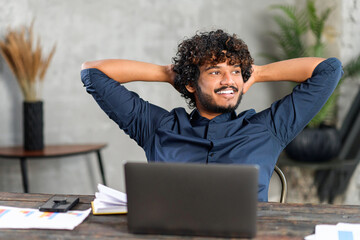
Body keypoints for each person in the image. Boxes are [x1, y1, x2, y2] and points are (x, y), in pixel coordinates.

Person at [81, 29, 343, 201]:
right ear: (192, 84)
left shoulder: (268, 128)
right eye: (216, 72)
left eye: (236, 71)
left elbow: (329, 70)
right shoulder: (157, 127)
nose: (229, 80)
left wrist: (258, 73)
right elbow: (92, 73)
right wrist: (168, 73)